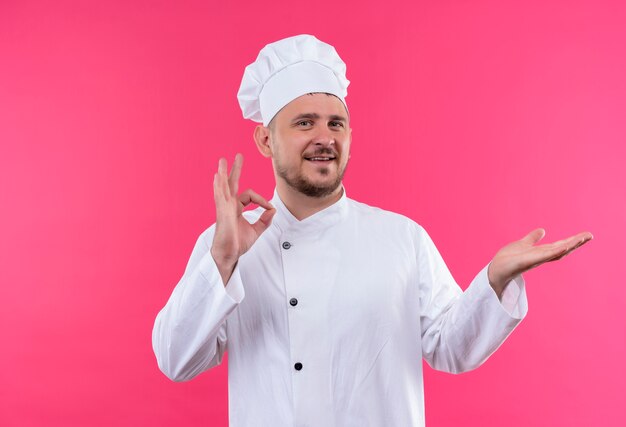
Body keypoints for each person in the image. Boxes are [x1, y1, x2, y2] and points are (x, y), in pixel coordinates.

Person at [152, 34, 592, 426]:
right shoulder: (227, 245)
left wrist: (494, 281)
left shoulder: (402, 238)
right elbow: (176, 360)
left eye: (335, 123)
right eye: (304, 122)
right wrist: (223, 260)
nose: (324, 136)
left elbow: (451, 348)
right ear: (266, 140)